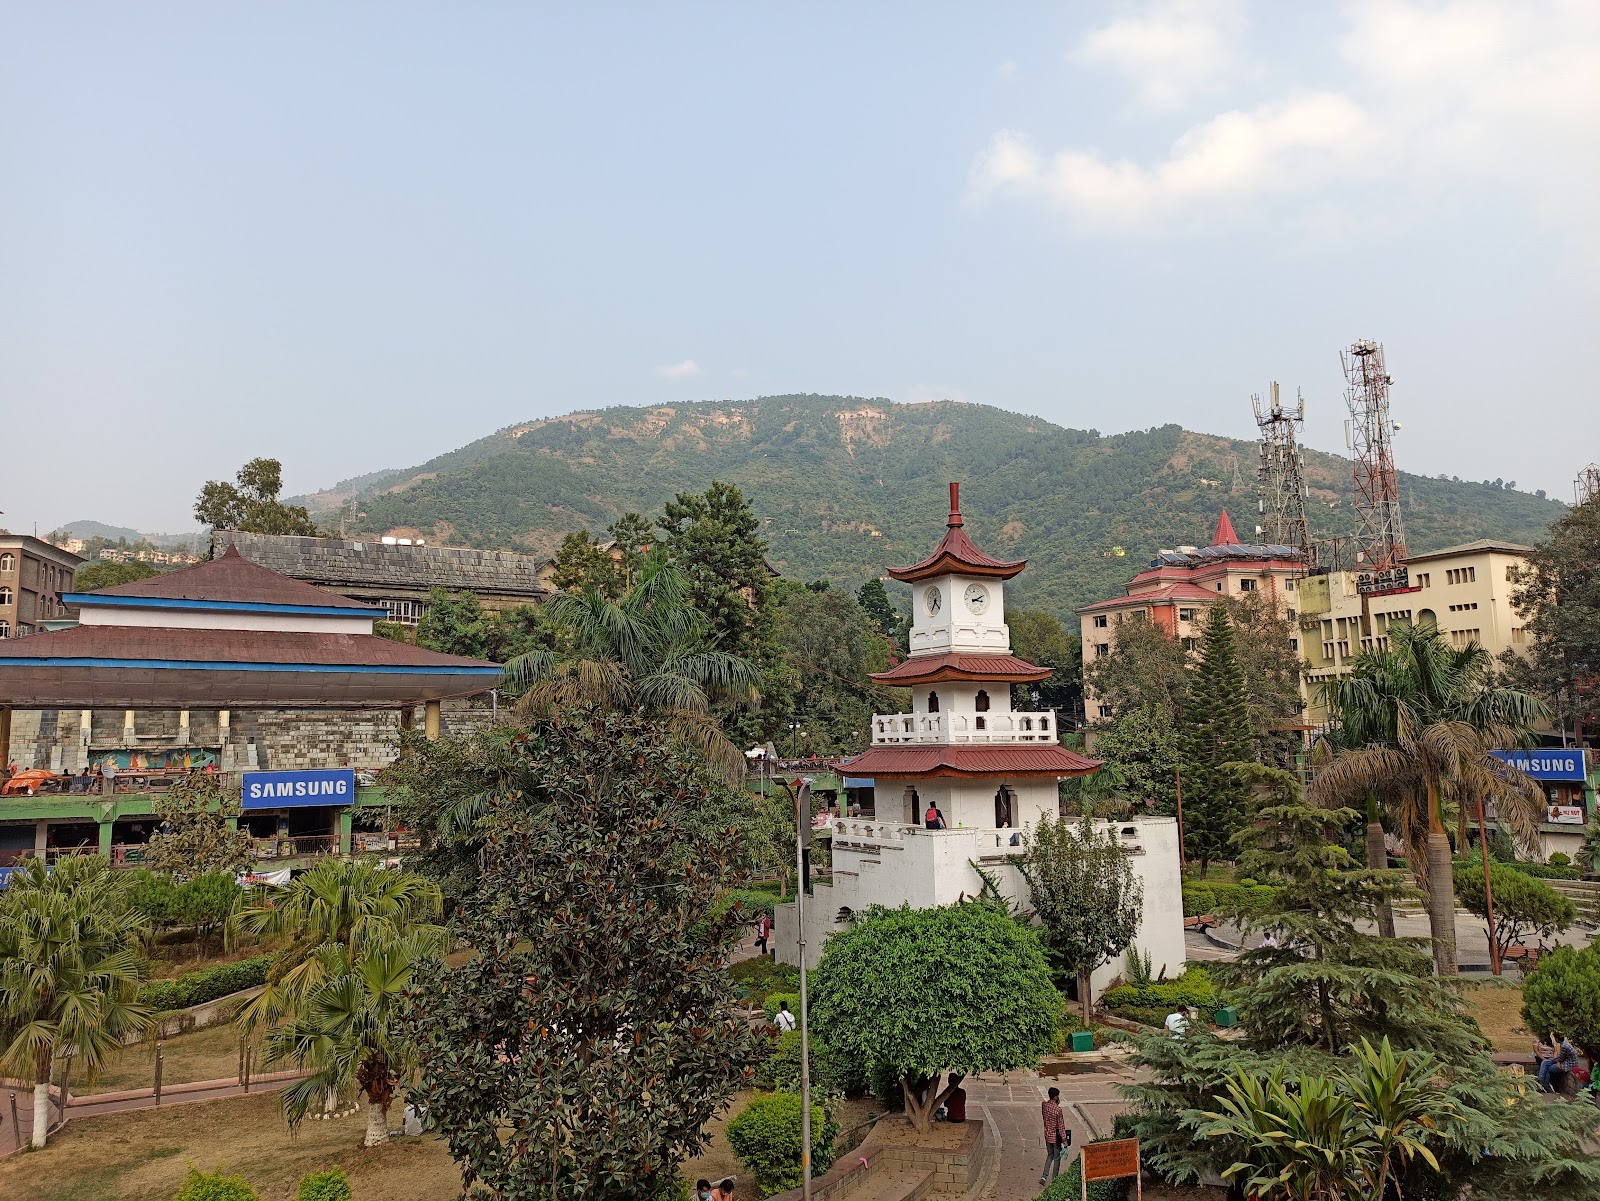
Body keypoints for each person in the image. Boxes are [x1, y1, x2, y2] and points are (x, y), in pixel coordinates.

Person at [1039, 1086, 1072, 1184]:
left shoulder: (1044, 1105)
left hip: (1047, 1135)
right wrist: (1065, 1141)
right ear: (1055, 1097)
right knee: (1057, 1158)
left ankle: (1044, 1176)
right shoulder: (1058, 1110)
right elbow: (1061, 1126)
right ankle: (1055, 1180)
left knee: (1050, 1155)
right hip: (1056, 1138)